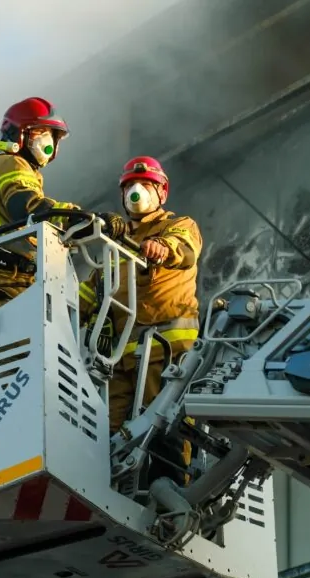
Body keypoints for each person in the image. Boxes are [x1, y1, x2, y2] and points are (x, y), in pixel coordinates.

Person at [0, 97, 128, 316]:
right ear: (19, 134)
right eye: (40, 132)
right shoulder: (12, 162)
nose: (48, 141)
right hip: (2, 282)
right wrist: (83, 219)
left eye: (51, 135)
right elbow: (28, 206)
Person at [79, 156, 202, 464]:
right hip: (120, 363)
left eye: (146, 185)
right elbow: (87, 293)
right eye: (130, 186)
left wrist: (162, 247)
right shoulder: (116, 245)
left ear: (162, 192)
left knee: (165, 433)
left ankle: (170, 488)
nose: (137, 192)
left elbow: (183, 249)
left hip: (166, 356)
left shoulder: (178, 226)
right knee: (106, 438)